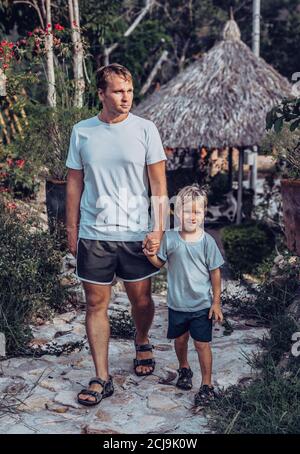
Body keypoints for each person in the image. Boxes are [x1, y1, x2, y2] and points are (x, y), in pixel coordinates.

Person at [65, 63, 167, 406]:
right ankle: (101, 377)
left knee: (141, 300)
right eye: (118, 91)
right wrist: (71, 228)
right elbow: (74, 182)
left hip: (136, 232)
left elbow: (158, 185)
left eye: (129, 90)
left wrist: (159, 228)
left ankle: (141, 339)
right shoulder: (82, 131)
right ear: (101, 94)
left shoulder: (145, 129)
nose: (126, 98)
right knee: (95, 303)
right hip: (94, 233)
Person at [144, 184, 224, 405]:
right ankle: (184, 368)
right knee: (180, 341)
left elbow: (215, 273)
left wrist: (216, 302)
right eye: (187, 211)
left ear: (203, 214)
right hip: (177, 305)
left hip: (201, 305)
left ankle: (206, 384)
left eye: (197, 212)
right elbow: (159, 263)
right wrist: (149, 254)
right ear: (178, 213)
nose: (192, 216)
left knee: (202, 344)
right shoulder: (169, 239)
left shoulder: (207, 242)